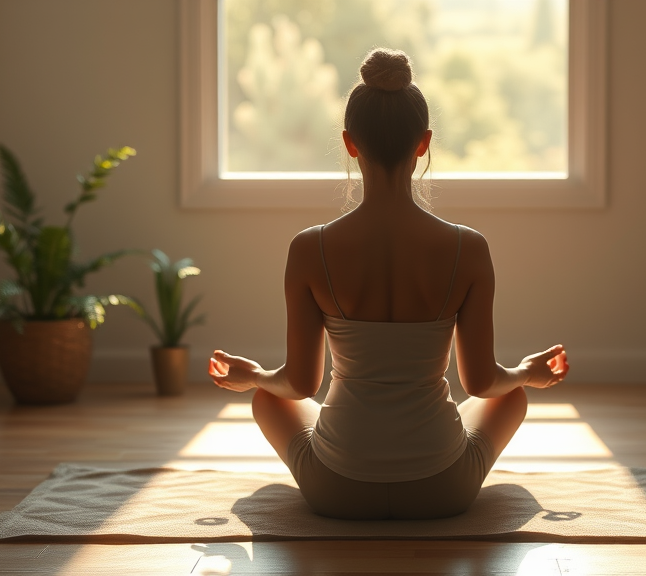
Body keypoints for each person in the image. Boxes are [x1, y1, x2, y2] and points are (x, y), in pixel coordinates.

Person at [209, 48, 568, 520]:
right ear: (423, 143)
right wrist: (526, 372)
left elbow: (299, 385)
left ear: (349, 143)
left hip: (336, 490)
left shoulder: (309, 248)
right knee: (511, 396)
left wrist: (253, 374)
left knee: (267, 399)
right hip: (443, 490)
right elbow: (481, 383)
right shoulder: (468, 248)